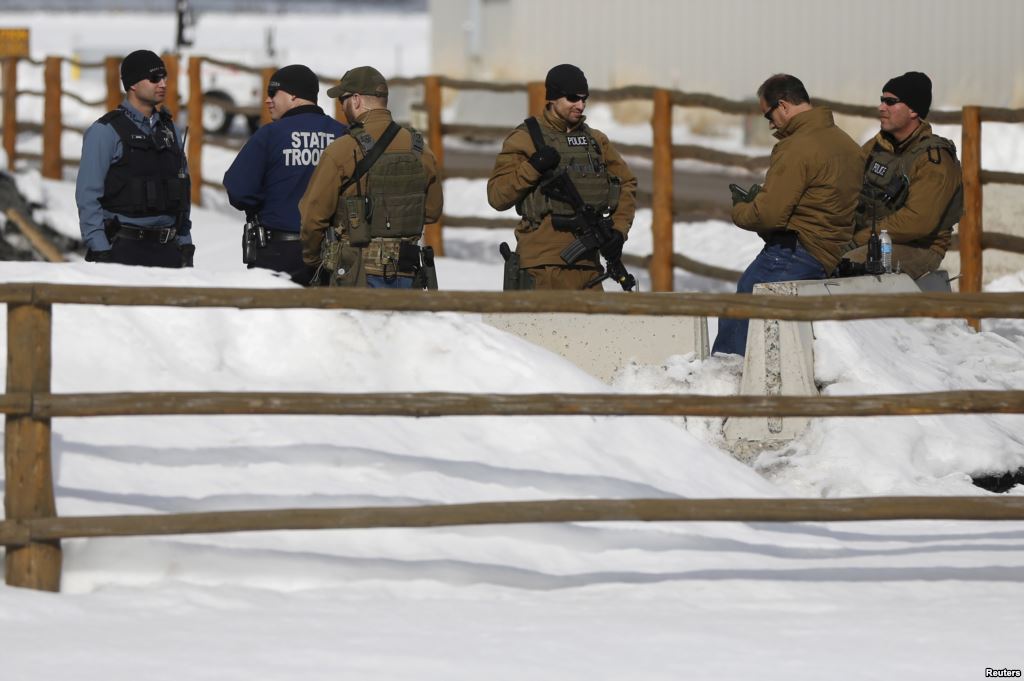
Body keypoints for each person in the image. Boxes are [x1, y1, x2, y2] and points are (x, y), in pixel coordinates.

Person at [713, 74, 862, 356]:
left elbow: (768, 215)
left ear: (783, 105)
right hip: (830, 251)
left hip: (795, 251)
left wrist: (741, 210)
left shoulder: (796, 147)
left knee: (743, 305)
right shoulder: (846, 143)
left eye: (768, 114)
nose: (770, 124)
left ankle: (726, 379)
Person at [486, 64, 637, 290]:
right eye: (573, 98)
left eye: (584, 98)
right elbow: (497, 196)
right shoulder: (526, 138)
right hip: (541, 267)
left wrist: (618, 230)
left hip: (588, 269)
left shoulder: (595, 141)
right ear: (553, 98)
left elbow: (627, 183)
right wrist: (533, 167)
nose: (581, 105)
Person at [299, 66, 442, 288]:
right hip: (407, 270)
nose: (342, 106)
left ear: (356, 100)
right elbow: (432, 212)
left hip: (355, 273)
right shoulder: (420, 148)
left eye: (342, 100)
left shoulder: (343, 149)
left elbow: (313, 215)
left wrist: (313, 259)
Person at [223, 64, 347, 285]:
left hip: (278, 252)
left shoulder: (270, 135)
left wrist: (267, 205)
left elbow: (238, 190)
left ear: (293, 95)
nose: (267, 100)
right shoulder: (342, 135)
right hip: (332, 253)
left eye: (273, 93)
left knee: (276, 318)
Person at [76, 49, 193, 267]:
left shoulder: (171, 131)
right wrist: (101, 250)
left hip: (169, 251)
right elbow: (87, 196)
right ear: (133, 84)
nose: (163, 83)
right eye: (154, 78)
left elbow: (183, 192)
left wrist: (185, 243)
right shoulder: (105, 132)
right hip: (122, 250)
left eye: (164, 77)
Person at [842, 72, 963, 279]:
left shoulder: (934, 159)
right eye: (882, 101)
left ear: (913, 110)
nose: (882, 108)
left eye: (890, 102)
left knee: (848, 267)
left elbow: (917, 221)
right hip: (867, 238)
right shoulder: (877, 147)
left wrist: (862, 237)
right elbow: (846, 182)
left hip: (919, 248)